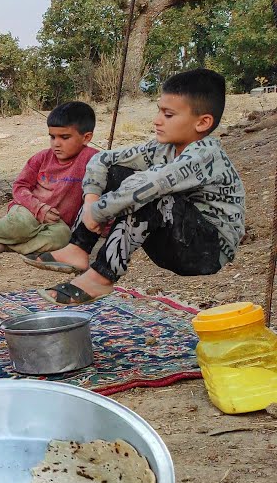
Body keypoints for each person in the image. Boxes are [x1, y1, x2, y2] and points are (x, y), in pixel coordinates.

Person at [34, 68, 243, 305]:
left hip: (208, 250)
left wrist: (100, 211)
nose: (157, 120)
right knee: (117, 173)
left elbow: (148, 186)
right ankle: (78, 249)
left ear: (203, 122)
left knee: (147, 191)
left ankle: (101, 276)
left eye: (168, 114)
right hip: (172, 239)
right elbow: (102, 159)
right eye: (158, 111)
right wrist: (92, 200)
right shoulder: (162, 147)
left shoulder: (204, 154)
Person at [0, 101, 97, 261]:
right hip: (28, 210)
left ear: (86, 137)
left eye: (64, 137)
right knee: (23, 224)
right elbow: (19, 187)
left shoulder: (93, 160)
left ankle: (6, 246)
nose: (56, 143)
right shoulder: (42, 158)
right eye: (52, 137)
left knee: (62, 237)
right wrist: (38, 208)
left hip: (57, 221)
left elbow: (103, 191)